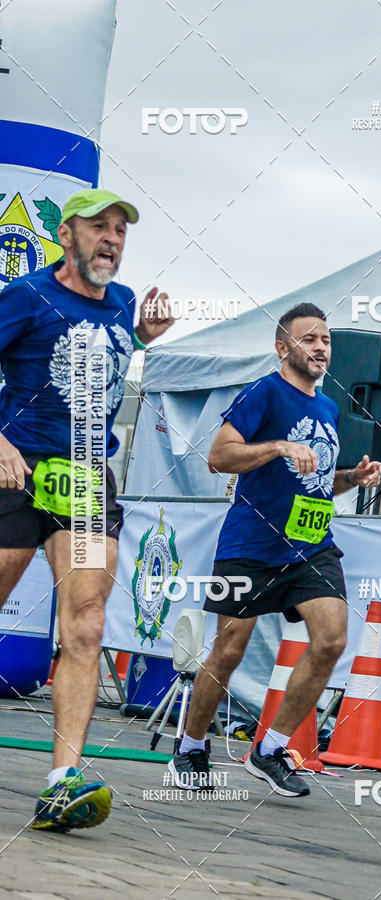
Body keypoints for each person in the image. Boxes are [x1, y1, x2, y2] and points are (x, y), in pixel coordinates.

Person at [0, 189, 173, 831]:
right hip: (15, 473)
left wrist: (142, 337)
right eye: (99, 227)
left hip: (84, 482)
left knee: (87, 623)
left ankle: (60, 782)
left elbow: (104, 359)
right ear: (66, 236)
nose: (112, 239)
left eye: (121, 230)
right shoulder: (27, 295)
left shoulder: (124, 304)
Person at [168, 302, 381, 797]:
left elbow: (315, 485)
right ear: (283, 347)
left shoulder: (328, 409)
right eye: (310, 339)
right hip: (251, 545)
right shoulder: (264, 392)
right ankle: (191, 747)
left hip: (311, 547)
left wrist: (353, 477)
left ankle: (269, 750)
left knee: (331, 640)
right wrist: (279, 446)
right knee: (227, 650)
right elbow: (219, 458)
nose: (321, 348)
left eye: (326, 340)